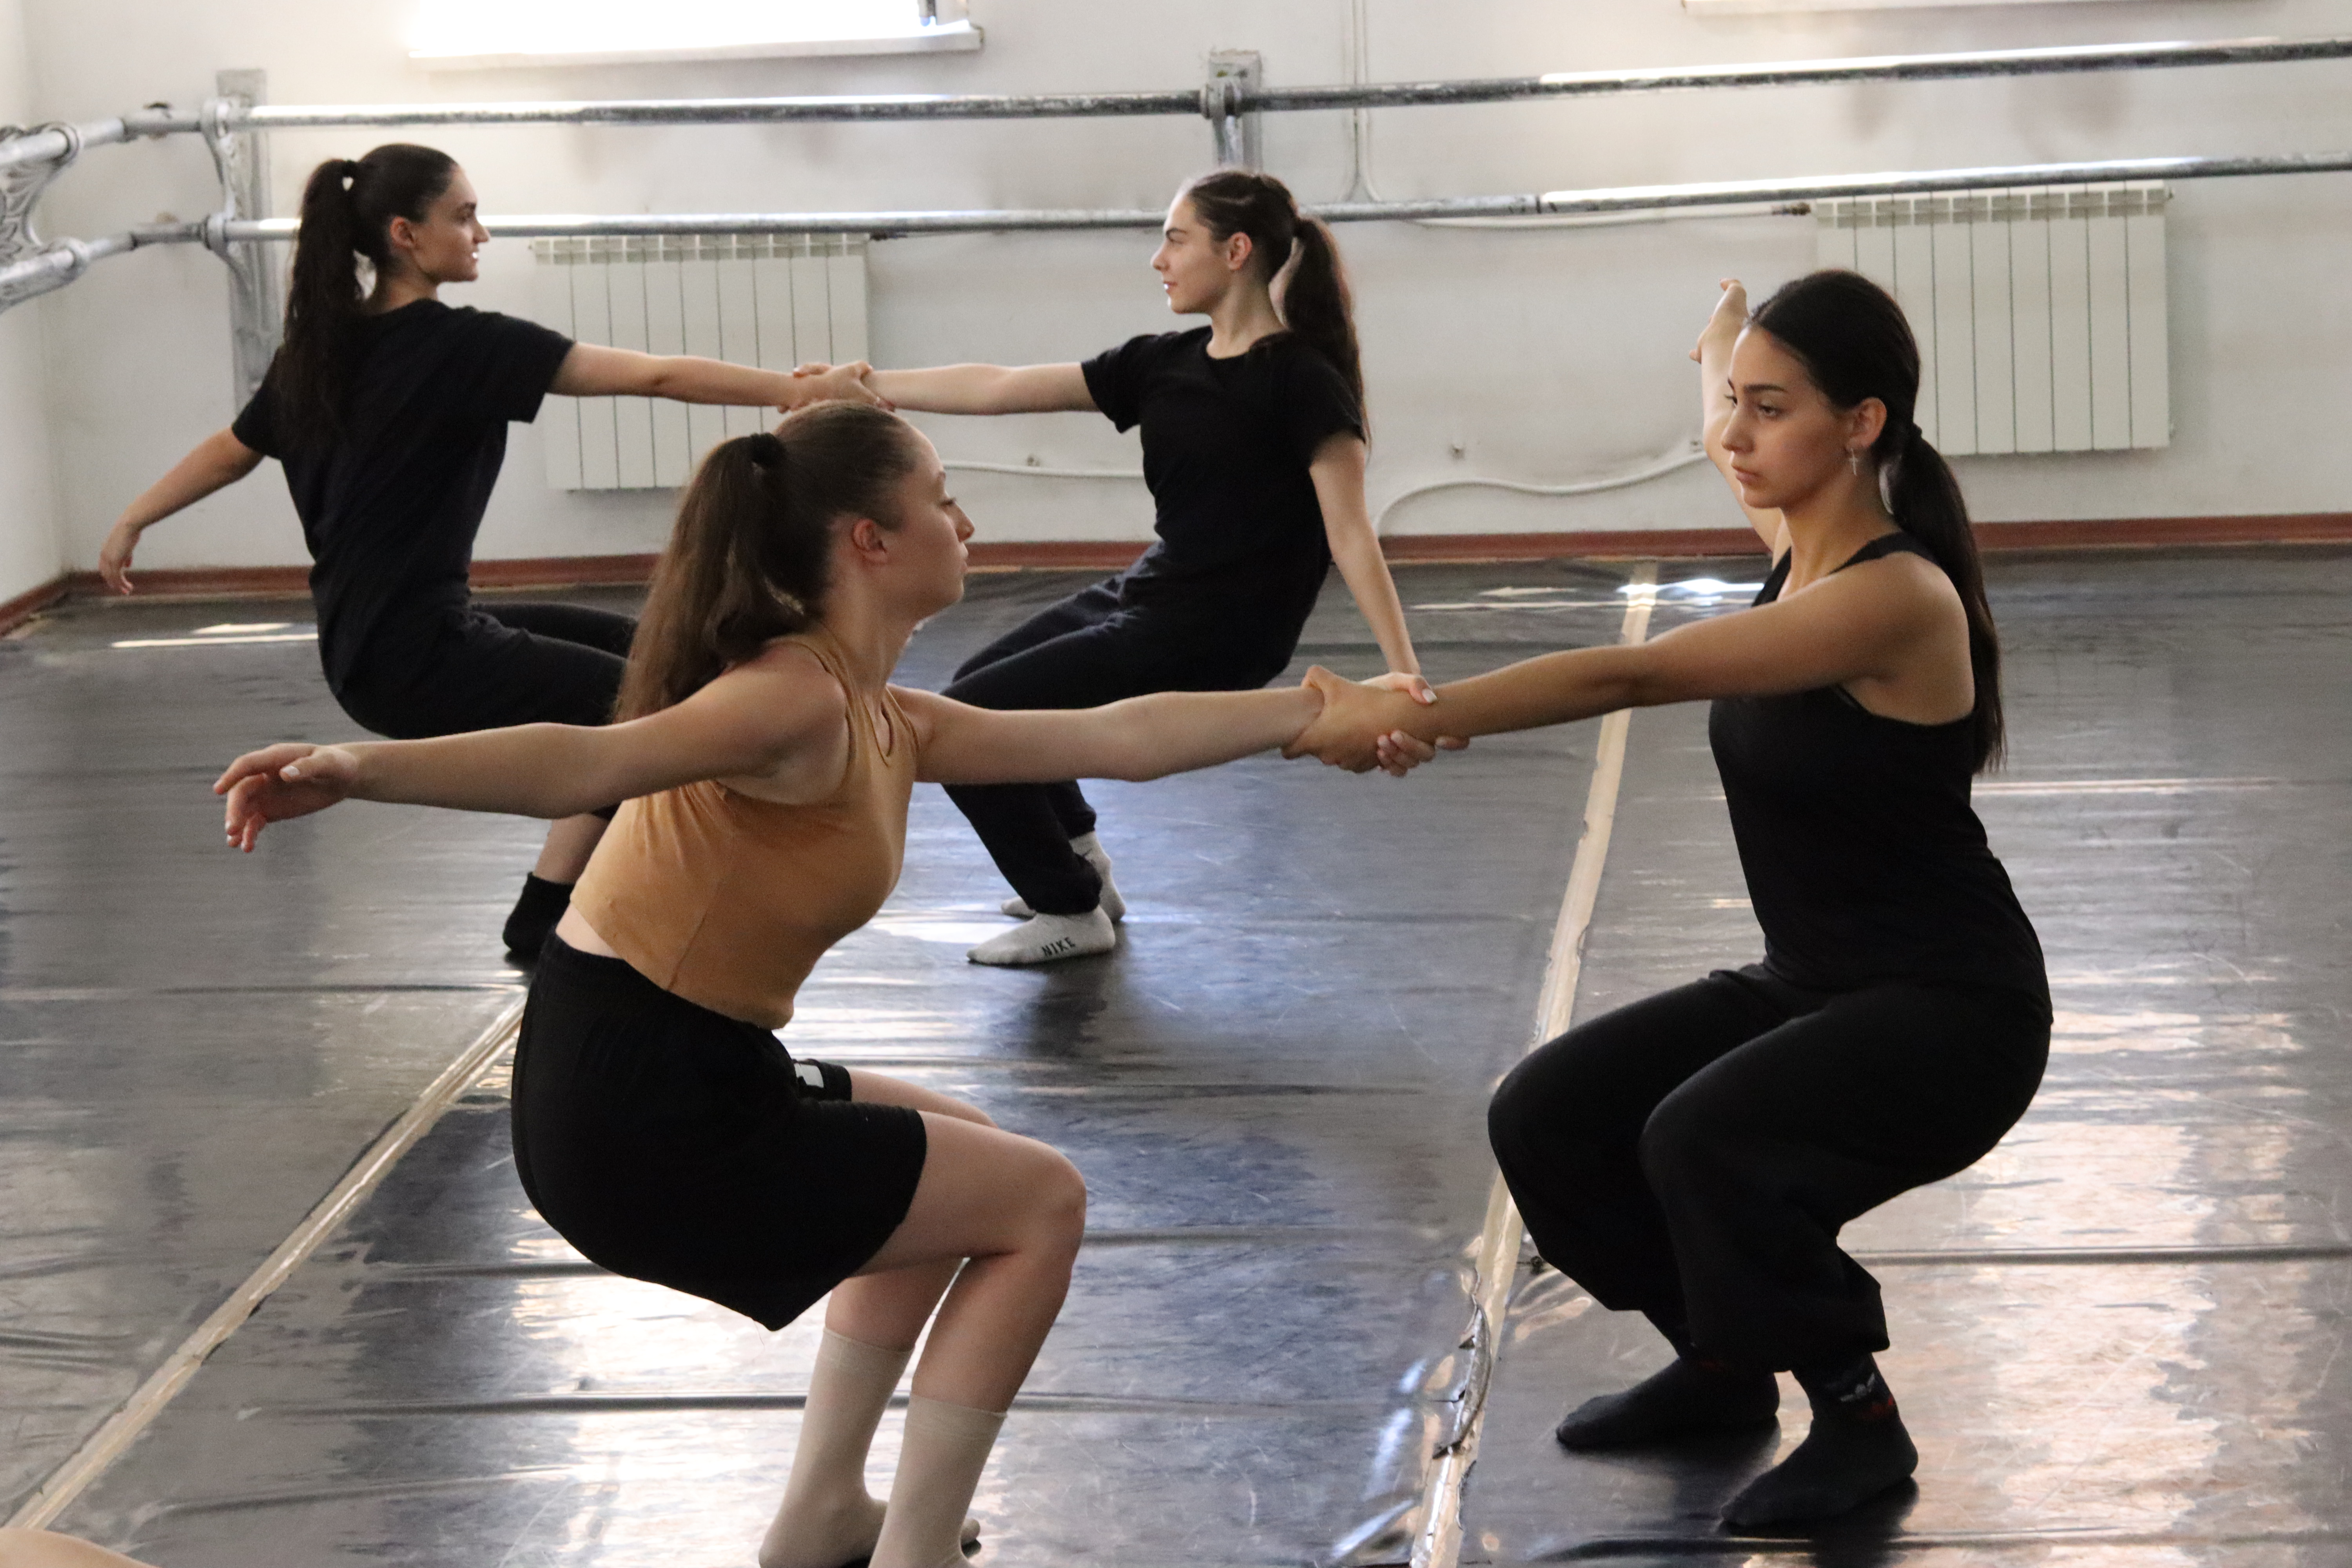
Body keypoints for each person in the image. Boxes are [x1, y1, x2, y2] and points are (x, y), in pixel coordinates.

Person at [213, 401, 1336, 1568]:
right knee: (1039, 1201)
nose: (965, 522)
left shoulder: (884, 715)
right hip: (639, 1108)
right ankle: (914, 1554)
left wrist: (1312, 715)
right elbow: (587, 760)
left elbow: (1119, 735)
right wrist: (358, 768)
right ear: (869, 539)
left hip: (669, 1072)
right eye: (942, 498)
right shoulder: (790, 696)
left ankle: (824, 1515)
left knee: (964, 1161)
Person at [1291, 271, 2051, 1528]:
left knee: (1704, 1138)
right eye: (1736, 404)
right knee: (1549, 1112)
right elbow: (1721, 423)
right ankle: (1721, 1360)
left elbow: (1632, 675)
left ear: (1861, 424)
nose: (1736, 436)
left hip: (1952, 1010)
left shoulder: (1892, 597)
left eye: (1771, 410)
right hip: (1813, 981)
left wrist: (1418, 709)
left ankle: (1858, 1420)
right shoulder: (1798, 549)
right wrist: (1720, 349)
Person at [103, 142, 879, 961]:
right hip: (418, 657)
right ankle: (556, 913)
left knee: (653, 657)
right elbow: (651, 377)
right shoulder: (463, 347)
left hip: (378, 646)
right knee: (655, 721)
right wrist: (797, 391)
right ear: (406, 234)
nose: (481, 233)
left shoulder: (324, 350)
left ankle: (560, 904)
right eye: (464, 216)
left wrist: (132, 519)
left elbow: (231, 451)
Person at [859, 168, 1428, 966]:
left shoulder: (1302, 380)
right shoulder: (1164, 362)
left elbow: (1351, 534)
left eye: (1175, 240)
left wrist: (1405, 676)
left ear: (1236, 251)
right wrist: (870, 386)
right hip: (1153, 593)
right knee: (980, 688)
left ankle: (1068, 907)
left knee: (967, 725)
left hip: (1219, 630)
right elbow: (1003, 386)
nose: (1159, 260)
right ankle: (1081, 866)